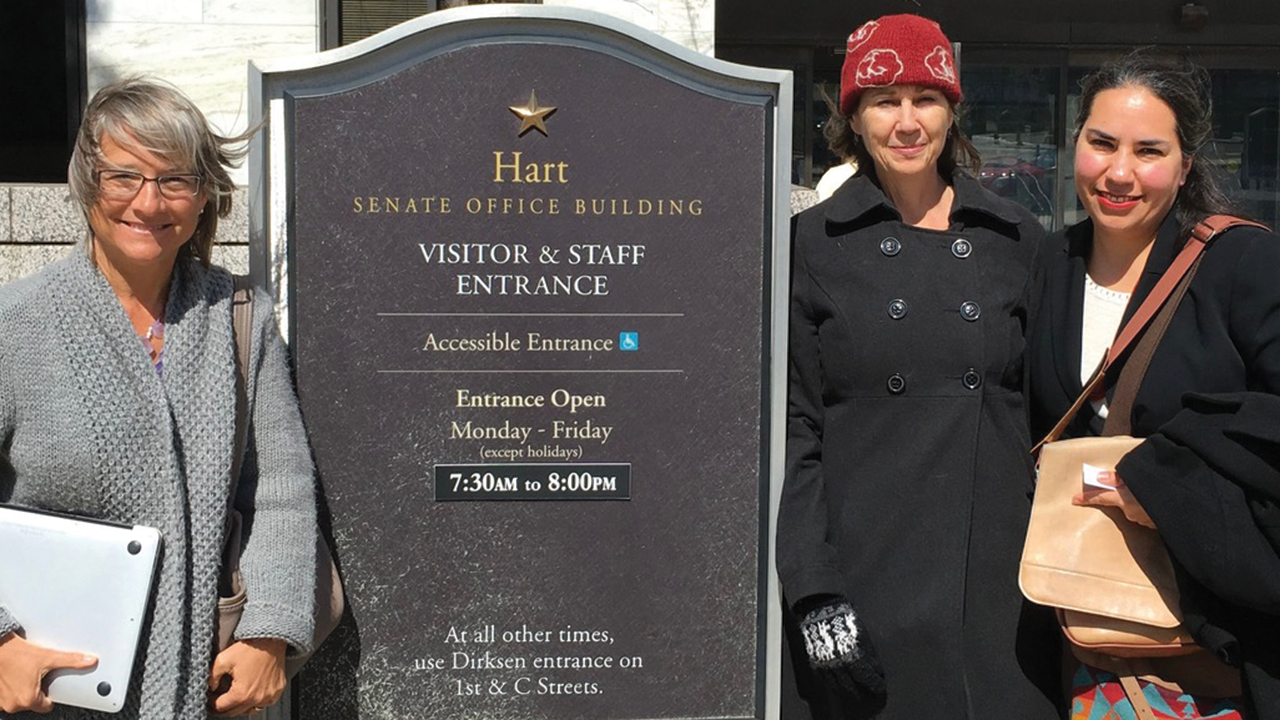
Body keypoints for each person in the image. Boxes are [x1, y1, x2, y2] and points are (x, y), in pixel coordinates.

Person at [0, 78, 318, 718]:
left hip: (198, 693)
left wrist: (269, 632)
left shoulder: (240, 318)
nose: (148, 202)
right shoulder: (16, 323)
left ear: (204, 198)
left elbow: (280, 489)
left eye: (175, 180)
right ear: (88, 182)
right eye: (124, 176)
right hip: (47, 690)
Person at [778, 13, 1060, 720]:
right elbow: (795, 430)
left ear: (952, 109)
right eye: (884, 101)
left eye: (925, 98)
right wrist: (814, 591)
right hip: (867, 573)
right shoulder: (811, 245)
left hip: (1002, 580)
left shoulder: (1017, 240)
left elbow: (1049, 411)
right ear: (854, 117)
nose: (907, 122)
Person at [1028, 52, 1280, 719]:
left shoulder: (1240, 264)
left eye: (1148, 151)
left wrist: (1166, 485)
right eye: (1101, 143)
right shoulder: (1046, 266)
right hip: (1081, 639)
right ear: (1075, 141)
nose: (1118, 173)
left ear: (1185, 166)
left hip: (1216, 658)